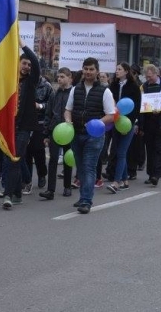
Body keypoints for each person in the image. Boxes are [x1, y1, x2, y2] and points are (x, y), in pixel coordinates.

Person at [64, 57, 115, 213]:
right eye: (85, 68)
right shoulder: (75, 89)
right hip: (76, 133)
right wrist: (68, 121)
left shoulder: (105, 91)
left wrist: (96, 123)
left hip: (94, 136)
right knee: (80, 167)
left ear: (97, 71)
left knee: (89, 167)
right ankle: (82, 197)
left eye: (91, 69)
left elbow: (111, 115)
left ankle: (86, 200)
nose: (88, 72)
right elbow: (68, 110)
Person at [0, 45, 40, 209]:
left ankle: (7, 194)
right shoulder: (10, 81)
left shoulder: (32, 80)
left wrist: (23, 45)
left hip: (24, 127)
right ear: (18, 63)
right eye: (24, 63)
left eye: (29, 65)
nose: (27, 66)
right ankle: (17, 193)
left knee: (14, 159)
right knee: (9, 159)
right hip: (8, 125)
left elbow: (36, 63)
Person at [104, 63, 141, 192]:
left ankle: (116, 182)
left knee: (121, 152)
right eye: (116, 69)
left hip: (127, 123)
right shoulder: (113, 86)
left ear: (126, 71)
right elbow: (109, 102)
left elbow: (136, 107)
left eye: (120, 69)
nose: (117, 71)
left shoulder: (134, 87)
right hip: (115, 121)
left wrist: (131, 122)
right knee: (118, 151)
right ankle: (125, 181)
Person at [40, 67, 74, 199]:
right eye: (58, 77)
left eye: (62, 77)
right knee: (53, 160)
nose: (59, 79)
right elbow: (48, 114)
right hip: (55, 131)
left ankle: (67, 186)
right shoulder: (55, 94)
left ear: (69, 78)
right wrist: (46, 134)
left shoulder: (73, 93)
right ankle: (50, 190)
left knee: (68, 159)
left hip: (69, 131)